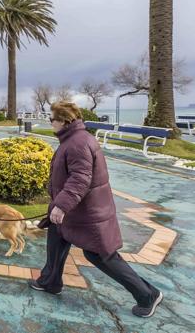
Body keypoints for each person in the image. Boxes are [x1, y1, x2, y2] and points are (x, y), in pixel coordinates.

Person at [28, 101, 163, 318]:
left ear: (63, 121)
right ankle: (50, 282)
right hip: (75, 211)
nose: (50, 122)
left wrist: (62, 205)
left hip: (87, 214)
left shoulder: (77, 143)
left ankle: (147, 295)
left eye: (51, 118)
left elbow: (80, 178)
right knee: (56, 238)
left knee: (100, 255)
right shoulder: (74, 139)